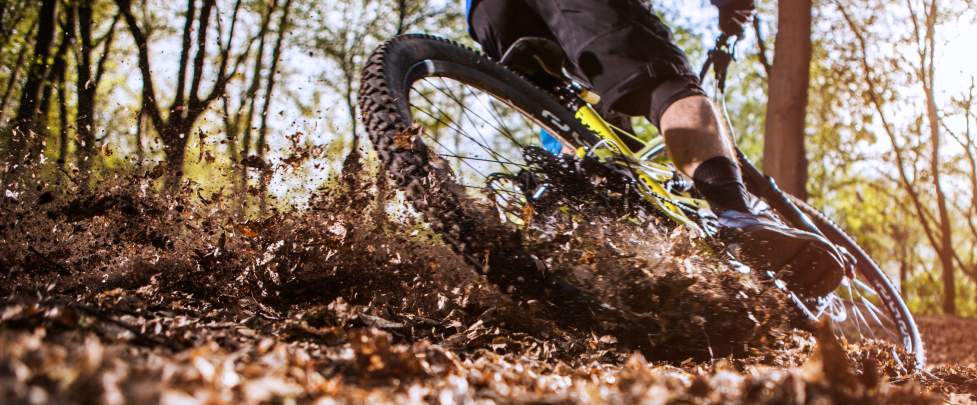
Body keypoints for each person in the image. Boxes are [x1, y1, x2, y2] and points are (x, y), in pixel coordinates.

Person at [465, 0, 845, 297]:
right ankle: (737, 216)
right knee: (665, 83)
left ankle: (572, 261)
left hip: (491, 16)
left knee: (584, 142)